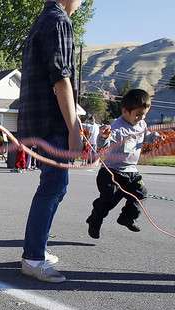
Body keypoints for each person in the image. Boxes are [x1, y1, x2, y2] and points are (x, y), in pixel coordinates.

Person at [19, 0, 83, 283]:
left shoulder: (42, 21)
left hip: (37, 120)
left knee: (56, 185)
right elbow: (61, 79)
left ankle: (37, 249)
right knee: (53, 185)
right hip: (51, 121)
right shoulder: (59, 21)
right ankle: (33, 257)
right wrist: (74, 128)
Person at [86, 89, 159, 238]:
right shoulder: (117, 128)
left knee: (141, 194)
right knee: (108, 202)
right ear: (125, 111)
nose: (141, 118)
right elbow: (102, 145)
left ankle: (127, 217)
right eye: (137, 114)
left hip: (131, 171)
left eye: (144, 114)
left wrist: (154, 137)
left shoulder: (141, 124)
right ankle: (95, 220)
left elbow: (145, 136)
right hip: (112, 173)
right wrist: (104, 137)